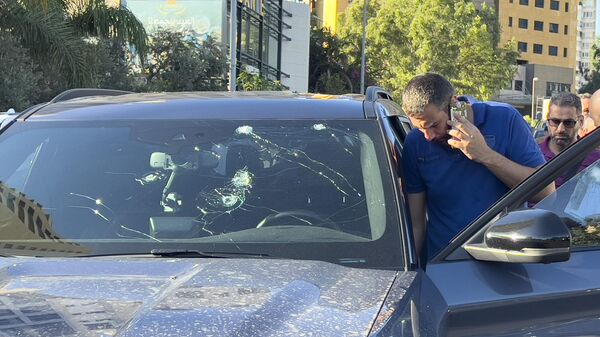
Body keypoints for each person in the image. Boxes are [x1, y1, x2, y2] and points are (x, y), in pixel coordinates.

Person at [401, 73, 554, 260]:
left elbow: (545, 191)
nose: (428, 136)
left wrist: (485, 155)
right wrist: (413, 271)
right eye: (420, 128)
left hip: (507, 262)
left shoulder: (505, 119)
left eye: (434, 125)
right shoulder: (415, 143)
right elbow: (416, 224)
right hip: (444, 266)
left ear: (454, 103)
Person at [539, 93, 600, 189]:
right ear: (547, 121)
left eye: (568, 123)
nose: (560, 129)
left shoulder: (596, 160)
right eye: (555, 121)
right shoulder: (531, 154)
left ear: (580, 122)